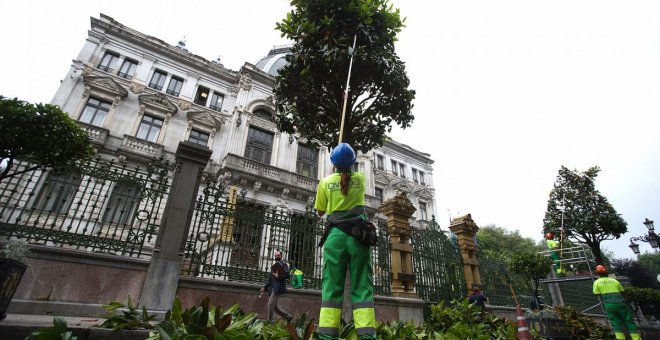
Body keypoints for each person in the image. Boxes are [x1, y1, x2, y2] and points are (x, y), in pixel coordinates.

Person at [315, 143, 376, 340]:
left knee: (332, 287)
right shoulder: (360, 178)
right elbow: (347, 182)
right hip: (359, 237)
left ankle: (327, 336)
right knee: (361, 286)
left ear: (333, 162)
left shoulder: (325, 182)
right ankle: (366, 336)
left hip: (335, 238)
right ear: (353, 162)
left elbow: (320, 211)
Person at [592, 265, 640, 340]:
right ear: (606, 272)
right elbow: (623, 292)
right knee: (628, 321)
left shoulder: (596, 282)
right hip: (620, 303)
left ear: (597, 273)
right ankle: (636, 338)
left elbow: (596, 293)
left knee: (615, 322)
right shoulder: (615, 281)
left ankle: (620, 338)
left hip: (609, 305)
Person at [260, 249, 293, 323]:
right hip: (272, 288)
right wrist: (264, 287)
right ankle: (288, 317)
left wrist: (279, 276)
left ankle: (269, 321)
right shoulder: (274, 266)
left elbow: (287, 275)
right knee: (275, 307)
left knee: (270, 304)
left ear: (281, 256)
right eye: (275, 256)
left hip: (278, 288)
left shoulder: (284, 264)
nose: (276, 257)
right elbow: (270, 280)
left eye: (278, 255)